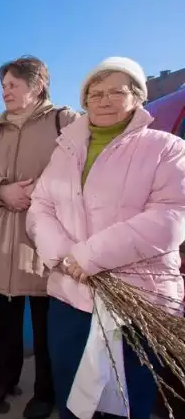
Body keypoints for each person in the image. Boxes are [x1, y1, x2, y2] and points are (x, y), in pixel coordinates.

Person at [26, 57, 185, 419]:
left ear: (138, 98)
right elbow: (40, 206)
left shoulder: (166, 148)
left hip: (138, 302)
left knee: (125, 403)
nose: (104, 100)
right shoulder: (65, 150)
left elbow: (171, 217)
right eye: (95, 93)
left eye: (118, 91)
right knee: (72, 397)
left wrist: (88, 257)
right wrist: (64, 255)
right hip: (70, 296)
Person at [0, 56, 80, 419]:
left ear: (37, 86)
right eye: (3, 86)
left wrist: (42, 193)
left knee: (48, 328)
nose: (5, 92)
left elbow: (87, 178)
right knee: (6, 325)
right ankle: (4, 380)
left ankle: (46, 392)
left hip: (46, 245)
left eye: (13, 85)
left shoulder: (68, 122)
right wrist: (2, 192)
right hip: (0, 245)